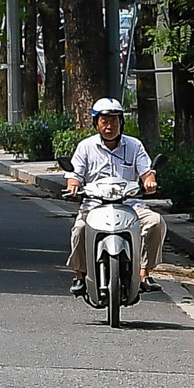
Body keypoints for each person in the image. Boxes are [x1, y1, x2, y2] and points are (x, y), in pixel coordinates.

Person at [64, 97, 163, 295]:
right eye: (104, 121)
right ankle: (80, 276)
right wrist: (73, 186)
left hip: (129, 204)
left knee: (155, 221)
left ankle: (144, 273)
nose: (109, 126)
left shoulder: (134, 146)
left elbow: (146, 171)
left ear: (121, 122)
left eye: (114, 121)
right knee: (80, 229)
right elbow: (74, 176)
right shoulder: (86, 146)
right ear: (96, 123)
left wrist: (149, 181)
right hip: (94, 205)